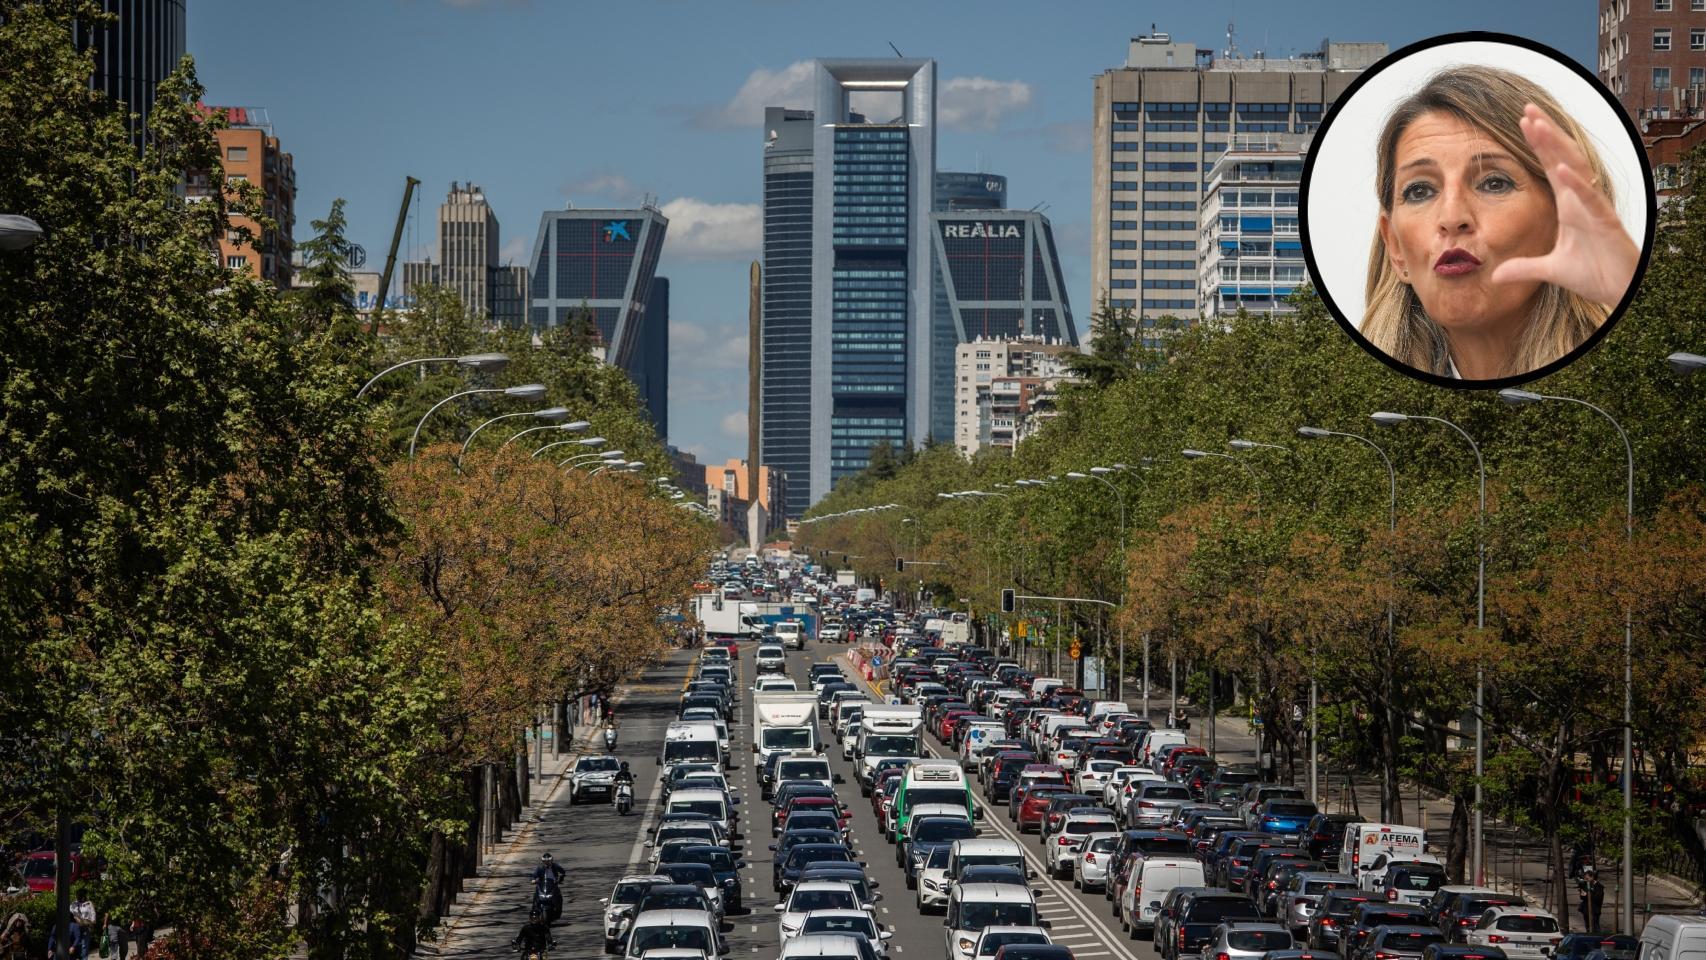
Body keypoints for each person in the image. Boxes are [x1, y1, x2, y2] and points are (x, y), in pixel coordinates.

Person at [1362, 65, 1638, 380]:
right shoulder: (1363, 392)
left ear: (1565, 218)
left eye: (1494, 183)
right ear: (1395, 247)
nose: (1452, 218)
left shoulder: (1633, 372)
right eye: (1420, 190)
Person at [1579, 866, 1606, 933]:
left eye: (1587, 878)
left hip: (1594, 910)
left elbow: (1597, 898)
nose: (1586, 880)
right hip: (1586, 910)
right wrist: (1582, 894)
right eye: (1585, 878)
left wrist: (1587, 895)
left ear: (1592, 877)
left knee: (1595, 926)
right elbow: (1583, 896)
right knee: (1588, 926)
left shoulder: (1599, 887)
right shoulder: (1587, 884)